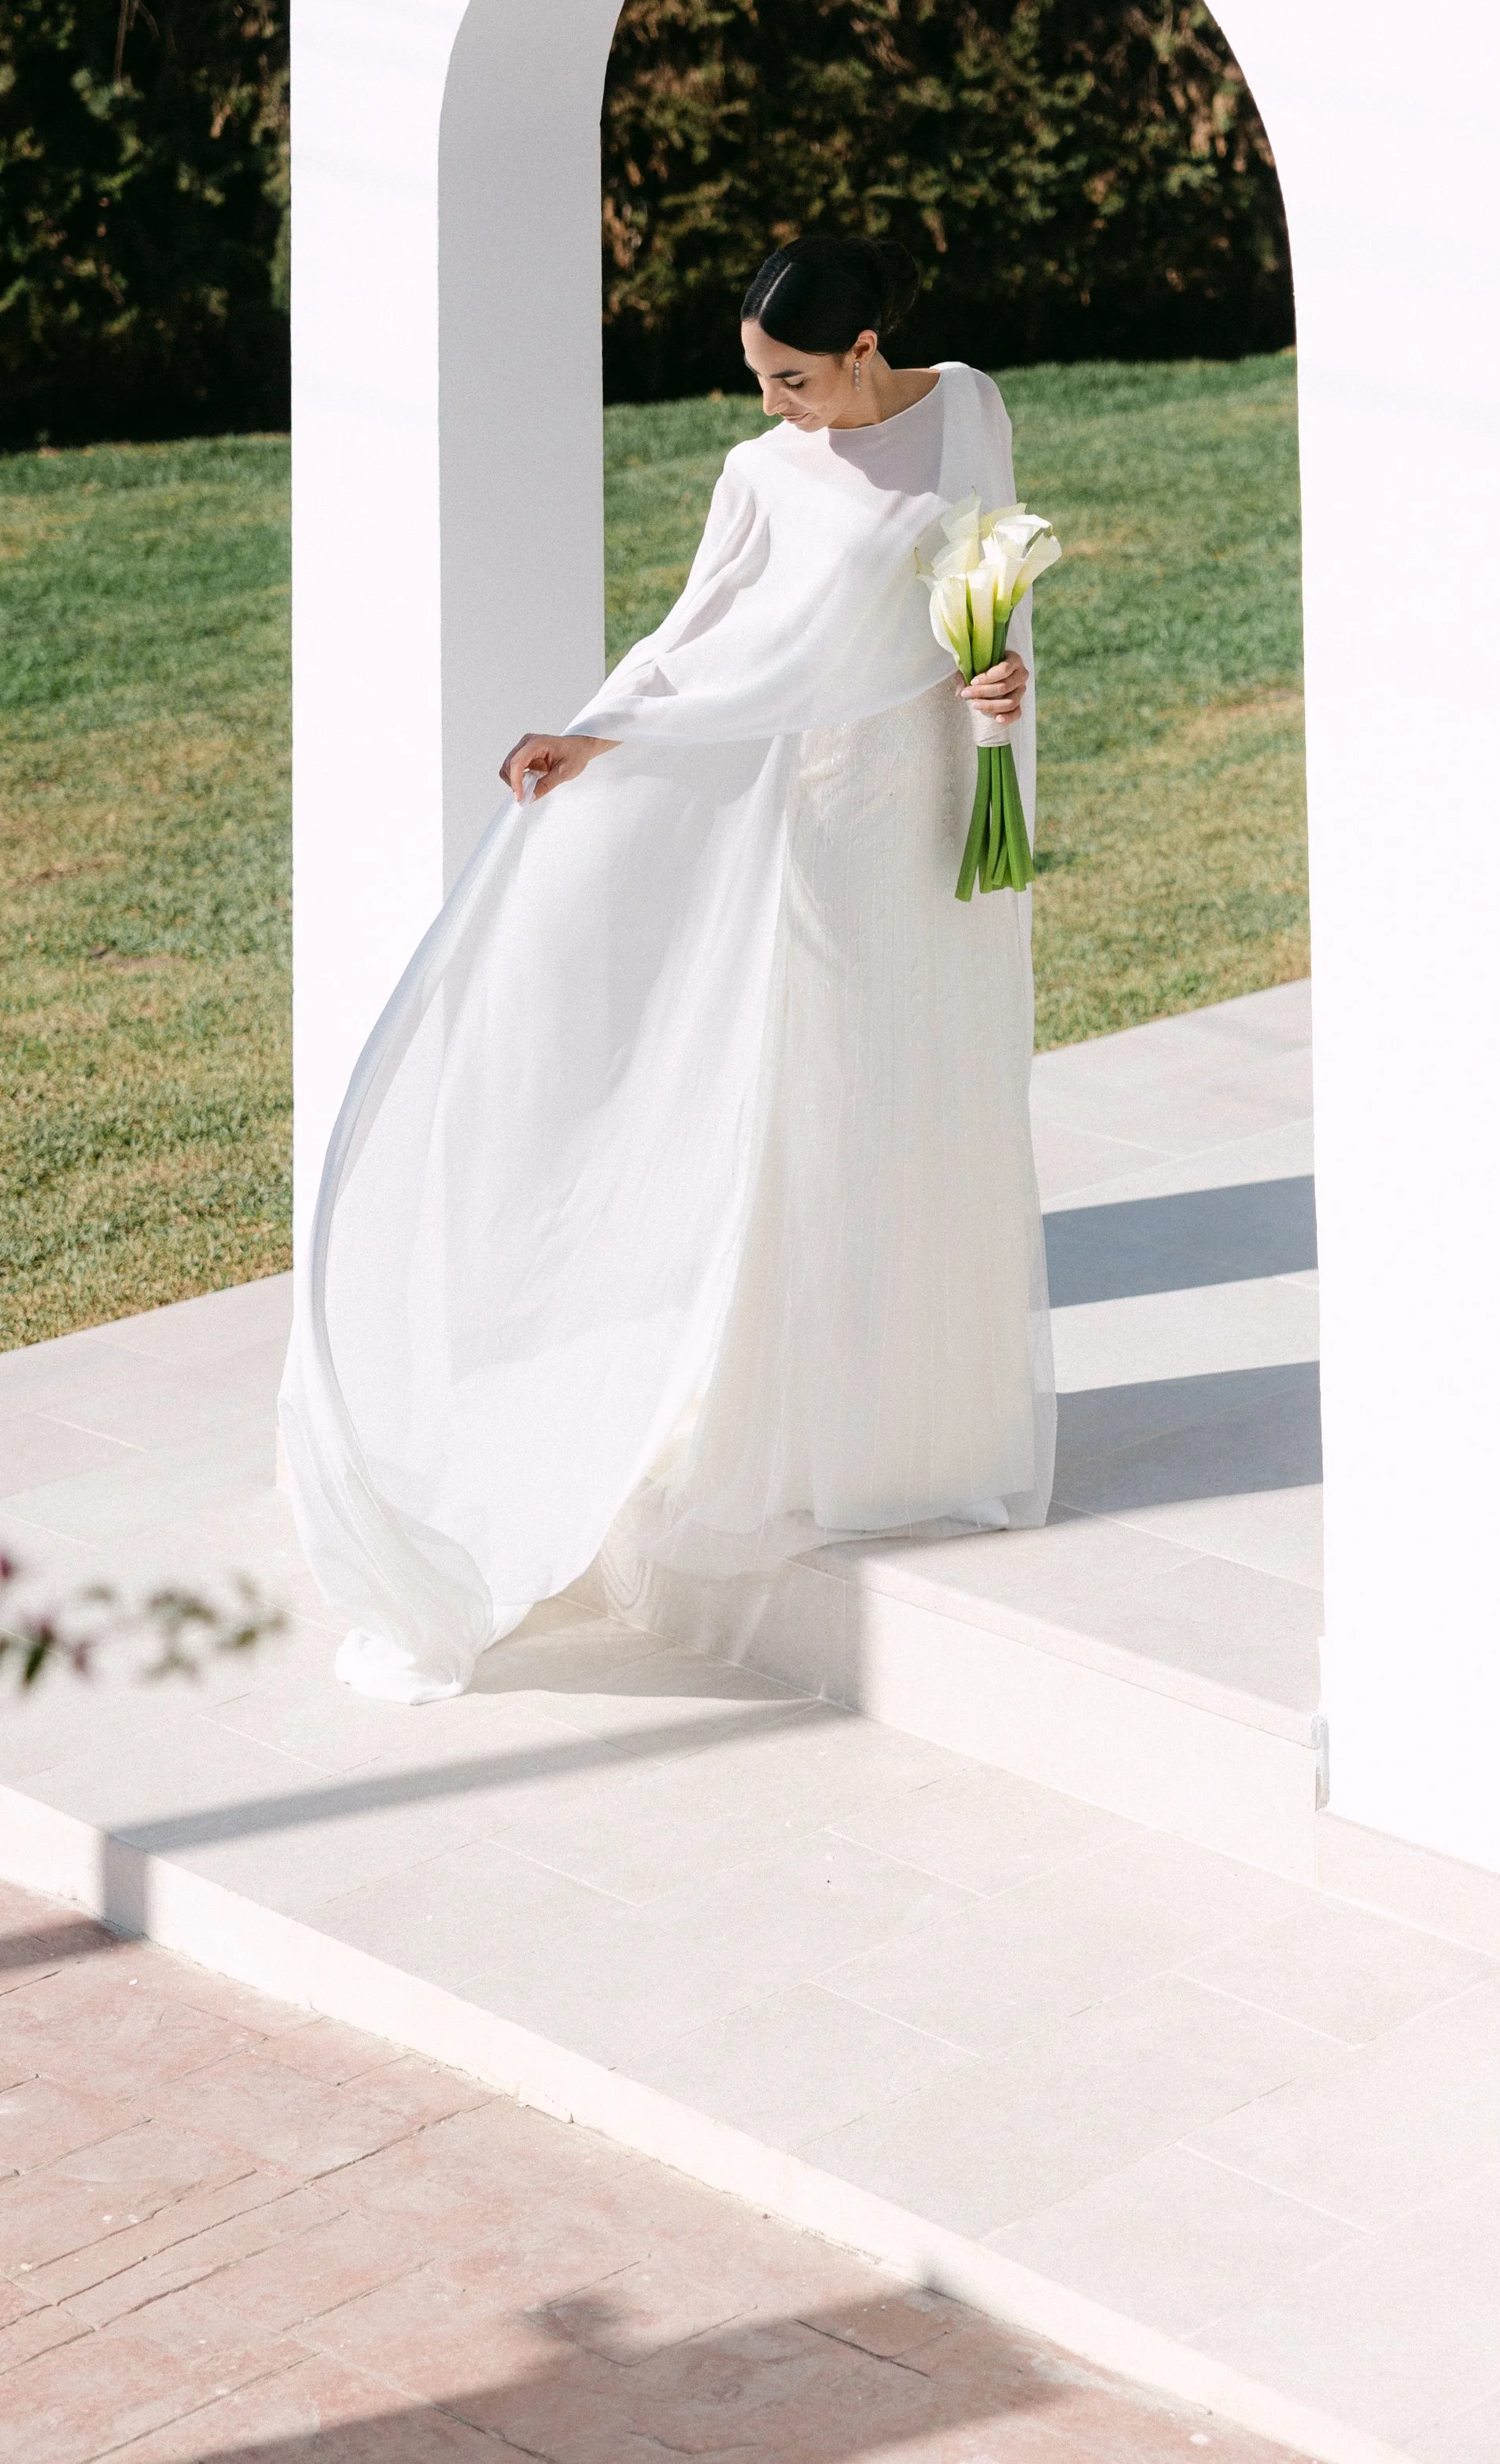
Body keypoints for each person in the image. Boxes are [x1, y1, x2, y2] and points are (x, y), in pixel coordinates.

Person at [278, 237, 1056, 1702]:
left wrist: (1003, 686)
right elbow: (694, 642)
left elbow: (990, 580)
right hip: (834, 822)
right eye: (758, 379)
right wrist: (592, 731)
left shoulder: (970, 405)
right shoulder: (761, 478)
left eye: (795, 378)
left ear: (870, 343)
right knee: (831, 1108)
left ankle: (940, 1434)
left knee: (947, 1095)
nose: (774, 405)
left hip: (951, 803)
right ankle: (823, 1432)